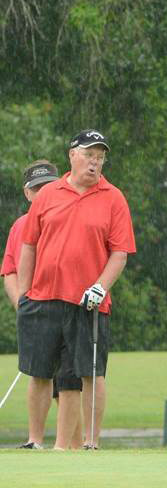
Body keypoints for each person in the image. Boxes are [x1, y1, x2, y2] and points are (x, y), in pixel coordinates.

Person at [17, 130, 136, 450]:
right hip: (43, 298)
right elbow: (28, 245)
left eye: (100, 157)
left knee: (90, 373)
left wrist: (100, 287)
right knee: (38, 372)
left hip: (88, 303)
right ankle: (34, 440)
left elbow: (120, 253)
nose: (94, 163)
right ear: (72, 155)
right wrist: (25, 294)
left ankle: (90, 442)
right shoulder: (48, 195)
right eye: (89, 155)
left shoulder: (114, 197)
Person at [1, 160, 83, 449]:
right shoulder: (21, 225)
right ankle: (35, 441)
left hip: (71, 305)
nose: (44, 192)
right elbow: (9, 271)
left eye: (49, 185)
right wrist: (22, 305)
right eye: (38, 188)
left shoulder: (72, 214)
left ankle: (74, 448)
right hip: (37, 307)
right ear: (27, 193)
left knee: (70, 380)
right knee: (39, 374)